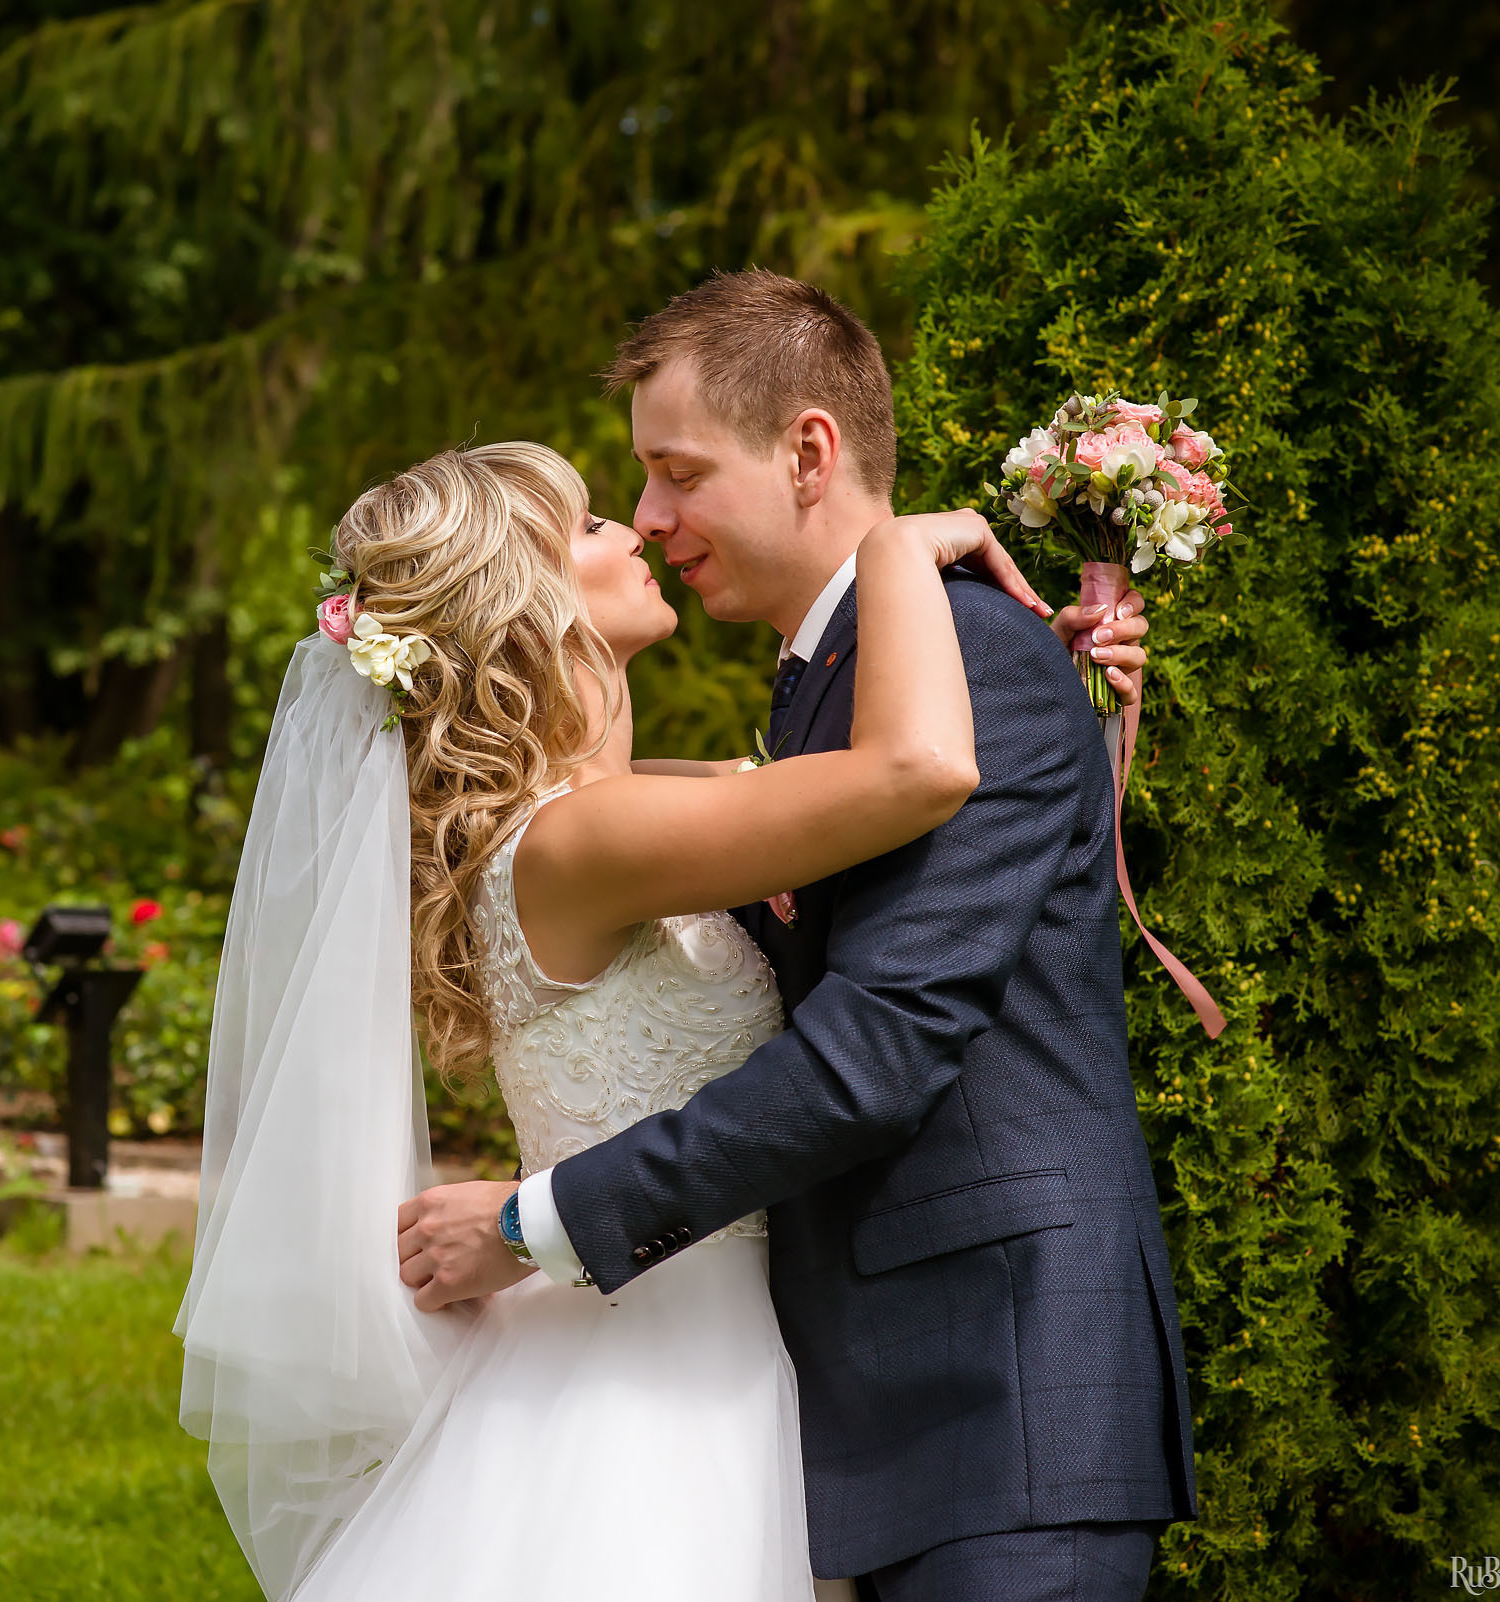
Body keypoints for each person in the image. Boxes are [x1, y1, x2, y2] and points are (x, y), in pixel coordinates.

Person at [394, 270, 1199, 1601]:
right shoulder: (840, 691)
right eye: (629, 492)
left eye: (674, 473)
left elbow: (876, 1046)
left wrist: (542, 1223)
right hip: (852, 1398)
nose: (651, 520)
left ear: (809, 451)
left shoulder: (969, 657)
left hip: (998, 1389)